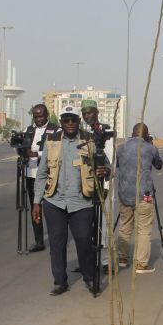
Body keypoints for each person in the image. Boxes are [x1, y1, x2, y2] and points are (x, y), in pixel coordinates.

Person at [32, 104, 109, 296]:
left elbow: (107, 167)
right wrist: (36, 202)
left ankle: (90, 277)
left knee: (84, 240)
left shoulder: (89, 140)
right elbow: (41, 174)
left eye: (73, 119)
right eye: (66, 119)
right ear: (61, 122)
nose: (70, 123)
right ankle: (60, 281)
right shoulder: (51, 141)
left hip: (82, 202)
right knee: (57, 243)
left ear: (78, 121)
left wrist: (104, 171)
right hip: (54, 201)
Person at [115, 122, 163, 273]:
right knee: (143, 229)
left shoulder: (121, 148)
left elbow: (118, 166)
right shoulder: (150, 148)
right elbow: (159, 165)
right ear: (146, 135)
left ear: (132, 133)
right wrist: (150, 145)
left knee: (125, 226)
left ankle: (122, 258)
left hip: (124, 195)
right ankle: (141, 264)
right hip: (144, 196)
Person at [81, 100, 116, 273]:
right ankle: (87, 261)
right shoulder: (80, 133)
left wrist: (107, 176)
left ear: (97, 113)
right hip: (85, 184)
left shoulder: (105, 130)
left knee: (103, 224)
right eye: (84, 113)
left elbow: (110, 158)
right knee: (85, 226)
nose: (87, 116)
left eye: (90, 112)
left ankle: (104, 261)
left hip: (104, 183)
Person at [22, 104, 51, 251]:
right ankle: (39, 241)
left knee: (51, 210)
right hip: (30, 174)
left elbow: (56, 151)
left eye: (41, 116)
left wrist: (37, 154)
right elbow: (20, 148)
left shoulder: (56, 130)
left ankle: (56, 239)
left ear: (47, 115)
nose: (38, 119)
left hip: (49, 175)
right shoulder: (28, 130)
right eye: (36, 116)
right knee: (35, 208)